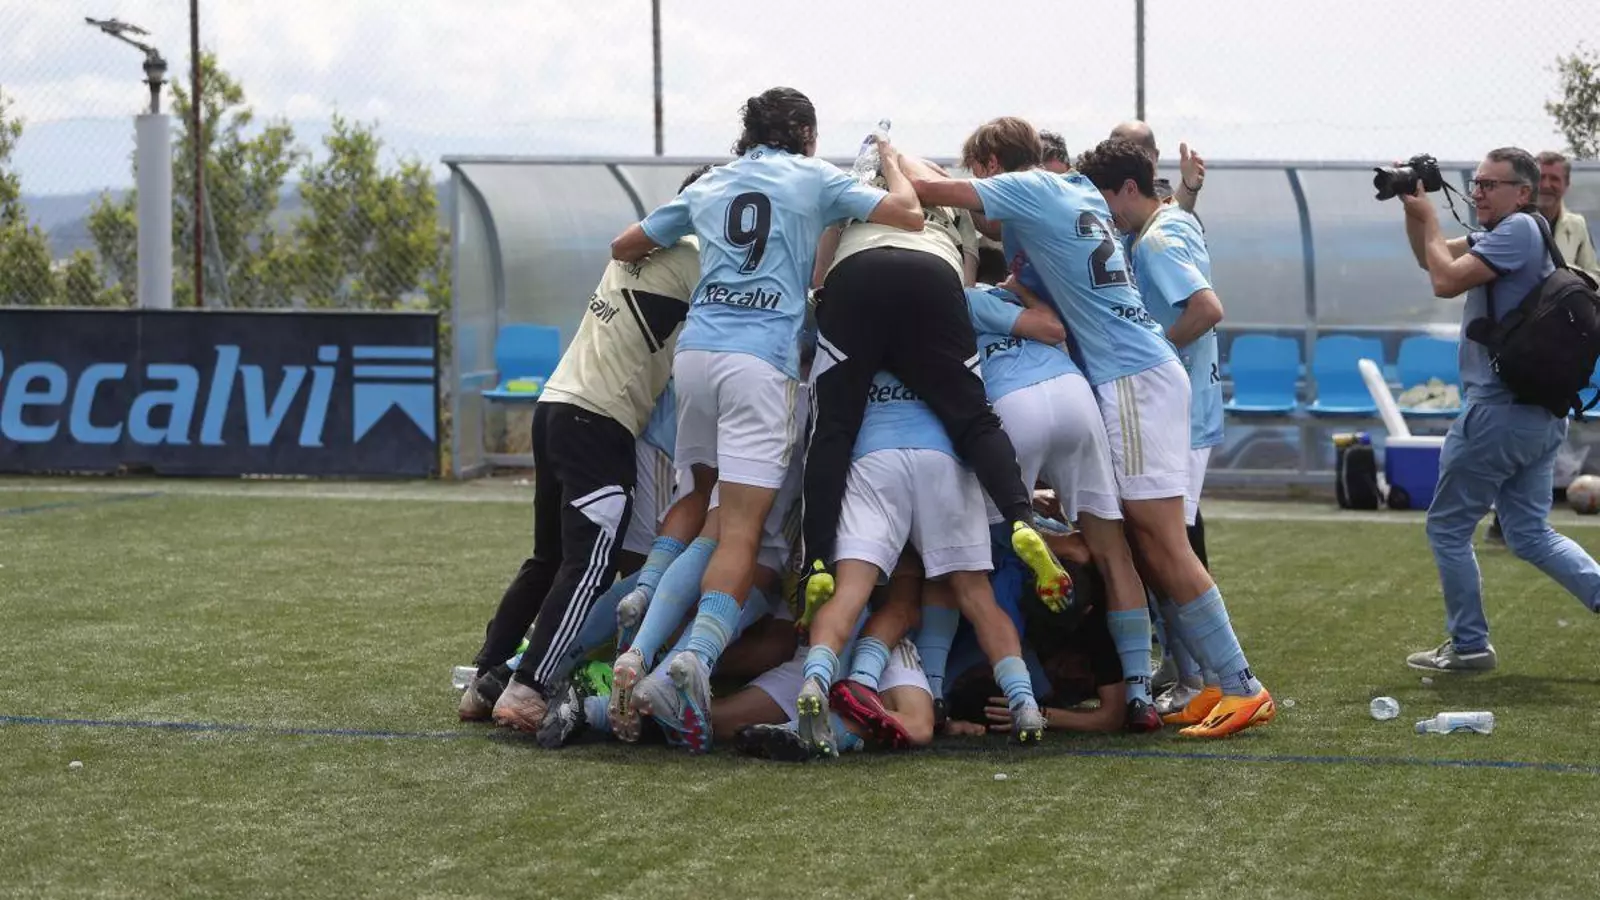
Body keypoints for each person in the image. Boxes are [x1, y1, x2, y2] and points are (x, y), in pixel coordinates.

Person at [903, 117, 1273, 737]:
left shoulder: (1033, 188)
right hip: (1135, 375)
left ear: (995, 165)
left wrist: (887, 153)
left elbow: (931, 190)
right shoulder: (1075, 196)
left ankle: (1242, 686)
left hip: (1130, 379)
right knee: (1138, 544)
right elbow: (1013, 257)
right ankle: (1205, 682)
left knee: (1163, 542)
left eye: (980, 169)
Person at [608, 87, 924, 748]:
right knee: (741, 530)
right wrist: (892, 163)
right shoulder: (813, 175)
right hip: (759, 359)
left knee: (702, 501)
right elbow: (909, 215)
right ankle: (694, 659)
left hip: (697, 355)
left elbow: (625, 244)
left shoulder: (713, 182)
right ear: (807, 134)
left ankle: (640, 637)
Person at [463, 165, 707, 729]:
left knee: (547, 558)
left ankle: (485, 678)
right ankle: (528, 687)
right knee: (590, 566)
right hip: (598, 421)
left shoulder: (641, 249)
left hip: (554, 405)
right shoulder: (699, 260)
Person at [802, 155, 1075, 629]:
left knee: (833, 429)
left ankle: (818, 561)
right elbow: (965, 285)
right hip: (934, 274)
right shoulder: (949, 202)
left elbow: (820, 276)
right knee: (975, 420)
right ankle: (1020, 518)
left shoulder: (857, 184)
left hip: (857, 275)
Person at [1399, 147, 1600, 672]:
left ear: (1523, 192)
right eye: (1476, 183)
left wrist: (1428, 215)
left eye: (1490, 184)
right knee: (1530, 533)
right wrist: (1413, 209)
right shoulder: (1518, 231)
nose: (1478, 192)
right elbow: (1431, 258)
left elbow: (1444, 282)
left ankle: (1469, 645)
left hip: (1498, 412)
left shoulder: (1517, 231)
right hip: (1538, 411)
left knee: (1448, 527)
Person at [1076, 138, 1227, 718]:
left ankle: (1205, 679)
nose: (1102, 213)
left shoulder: (1158, 241)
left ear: (1128, 189)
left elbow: (1206, 308)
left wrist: (1152, 352)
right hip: (1187, 409)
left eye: (1104, 199)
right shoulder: (1167, 226)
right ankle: (1186, 669)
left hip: (1177, 416)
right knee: (1158, 546)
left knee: (1166, 551)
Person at [1108, 120, 1205, 212]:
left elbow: (1167, 209)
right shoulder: (1107, 193)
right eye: (1114, 154)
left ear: (1156, 155)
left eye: (1132, 155)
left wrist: (1187, 189)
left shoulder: (1160, 197)